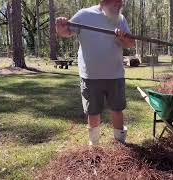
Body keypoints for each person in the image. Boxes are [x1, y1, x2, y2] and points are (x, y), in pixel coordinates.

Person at [56, 0, 135, 145]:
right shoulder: (84, 15)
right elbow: (66, 32)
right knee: (93, 112)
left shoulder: (120, 19)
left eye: (121, 4)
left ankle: (120, 144)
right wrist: (60, 28)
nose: (119, 7)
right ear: (104, 2)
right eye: (116, 3)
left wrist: (123, 39)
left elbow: (131, 43)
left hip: (115, 74)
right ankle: (94, 146)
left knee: (117, 110)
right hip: (91, 76)